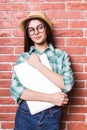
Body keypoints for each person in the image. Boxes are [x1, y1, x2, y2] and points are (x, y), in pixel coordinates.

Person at [10, 11, 74, 130]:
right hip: (25, 115)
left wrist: (38, 65)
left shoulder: (61, 56)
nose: (36, 32)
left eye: (40, 27)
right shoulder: (23, 58)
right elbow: (16, 91)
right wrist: (50, 98)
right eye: (31, 29)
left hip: (52, 116)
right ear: (28, 34)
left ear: (47, 29)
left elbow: (67, 84)